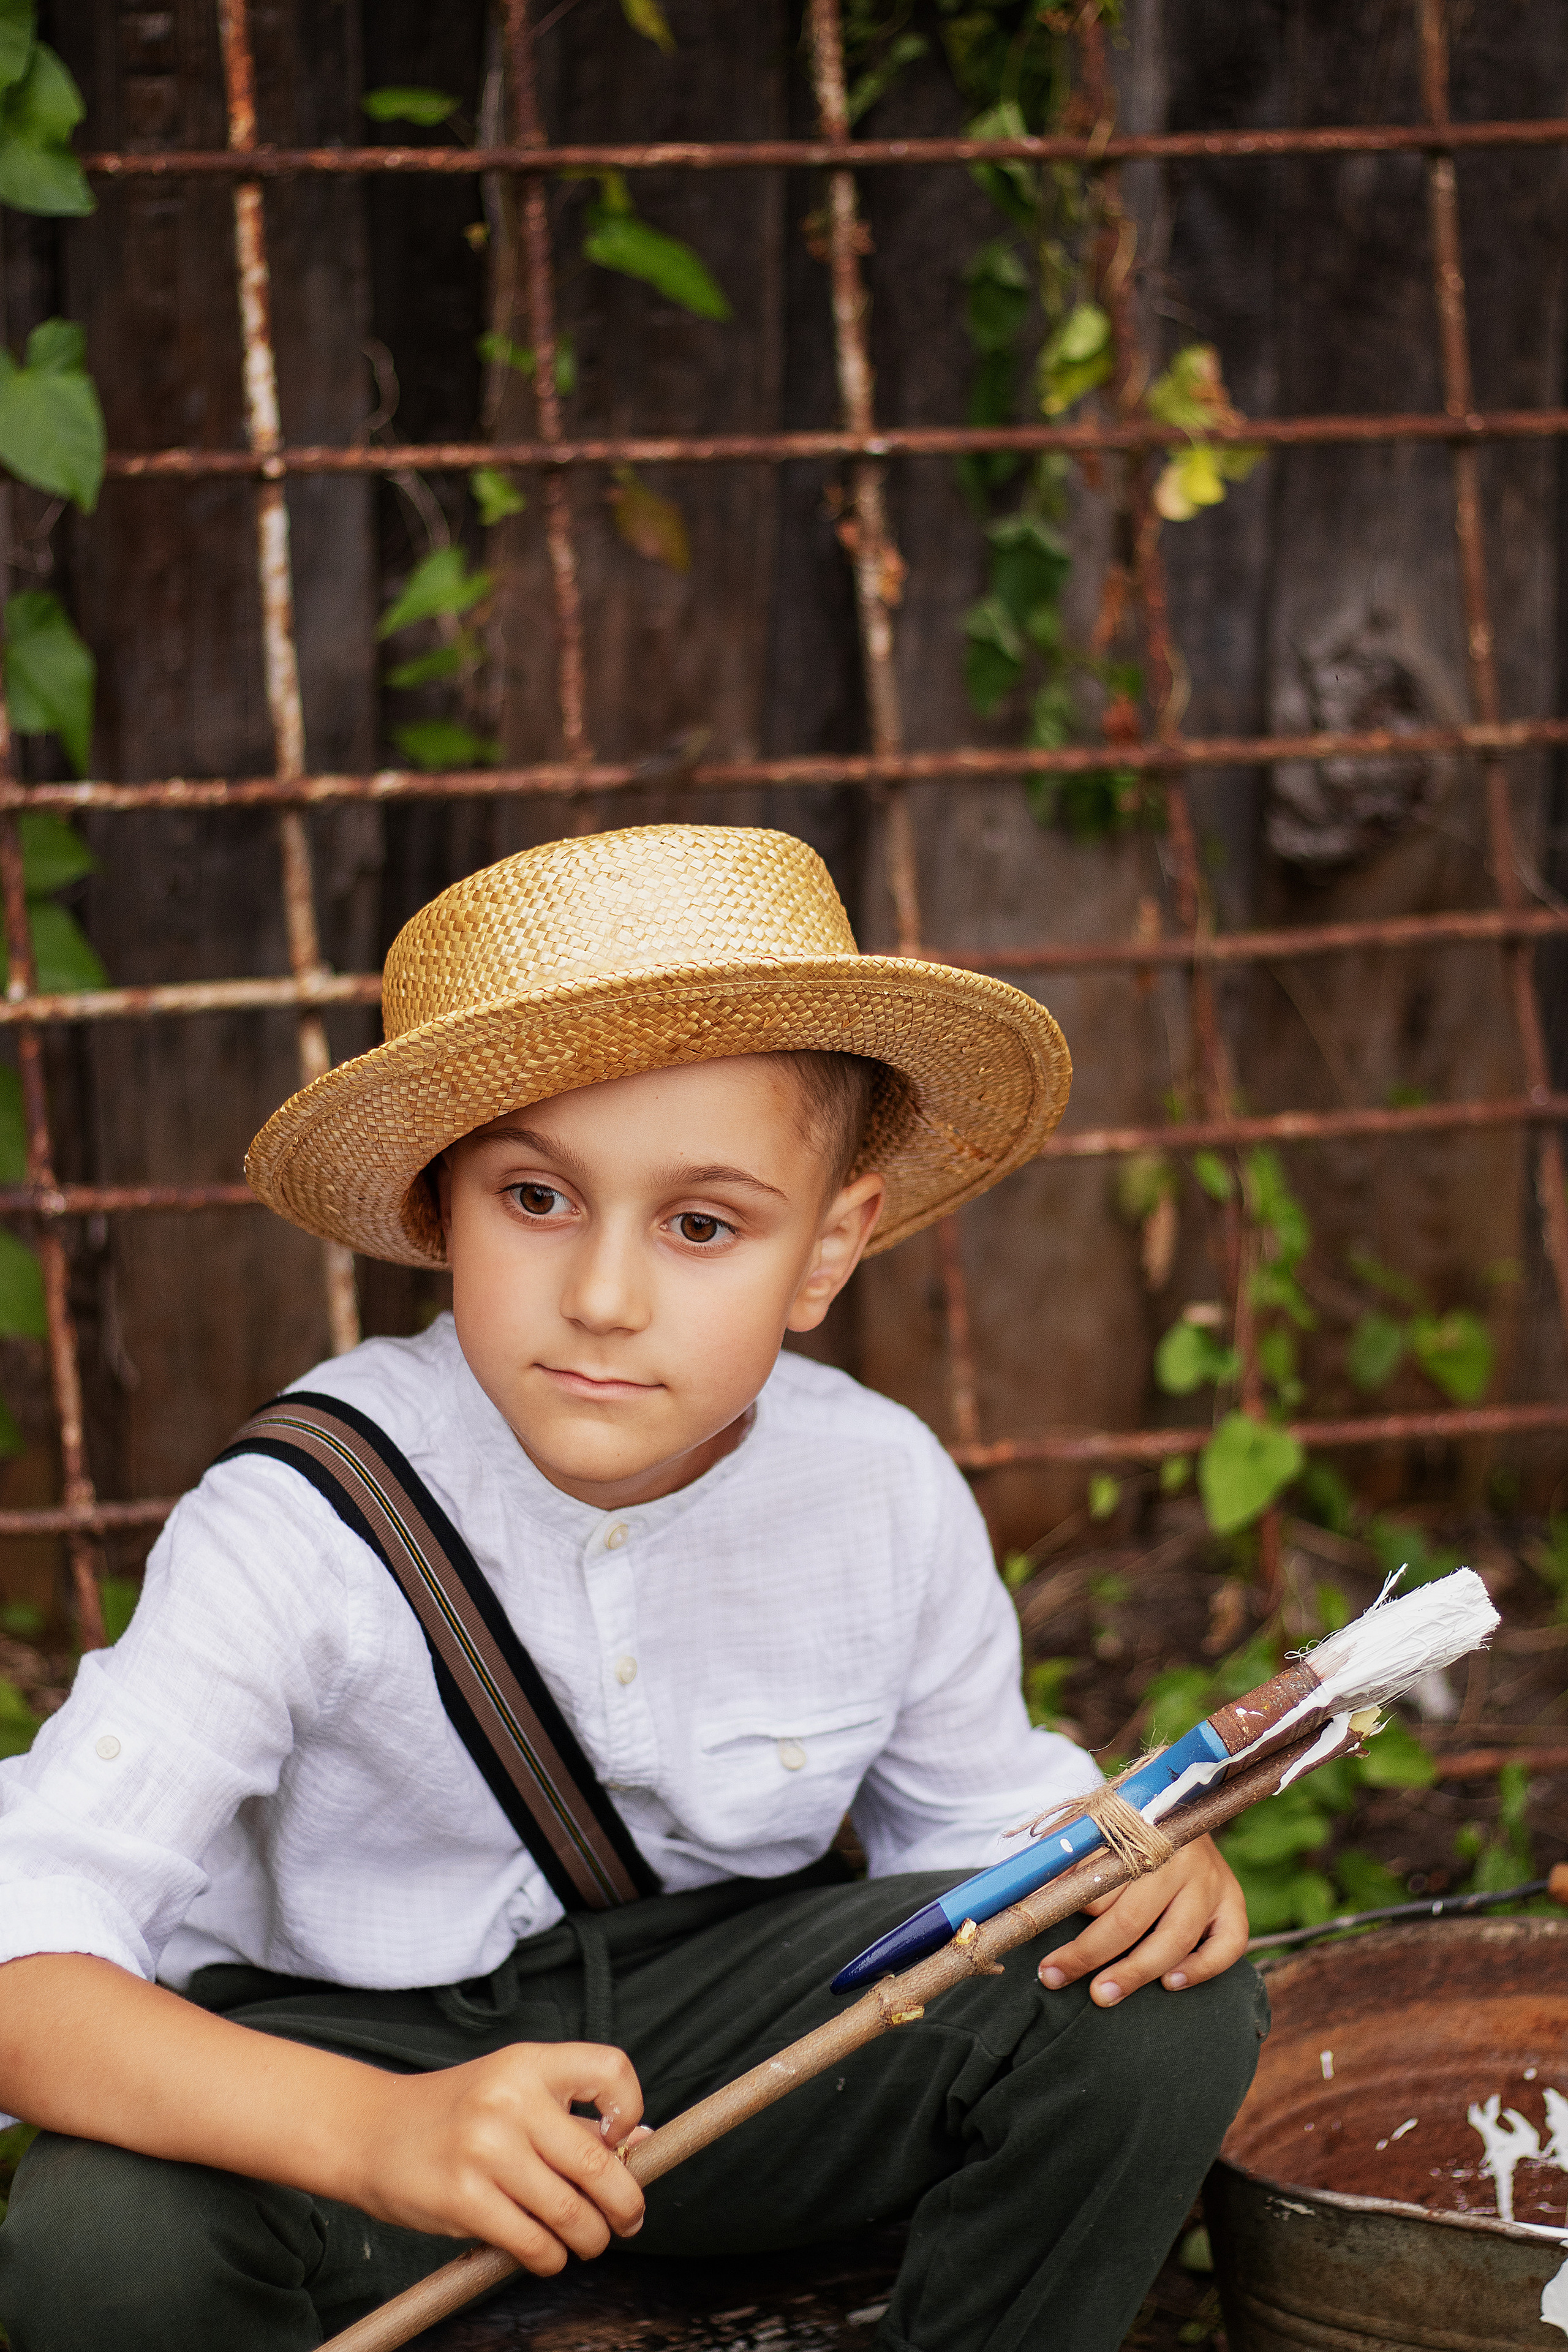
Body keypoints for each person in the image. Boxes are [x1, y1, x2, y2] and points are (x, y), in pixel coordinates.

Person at [0, 825, 1261, 2352]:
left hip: (731, 2067)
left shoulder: (876, 1489)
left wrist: (1118, 1866)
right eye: (534, 1199)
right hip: (354, 2065)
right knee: (96, 2241)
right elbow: (27, 1950)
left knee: (1149, 2010)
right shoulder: (296, 1525)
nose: (603, 1296)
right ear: (437, 1206)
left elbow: (975, 1841)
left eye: (702, 1224)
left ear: (827, 1249)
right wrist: (372, 2134)